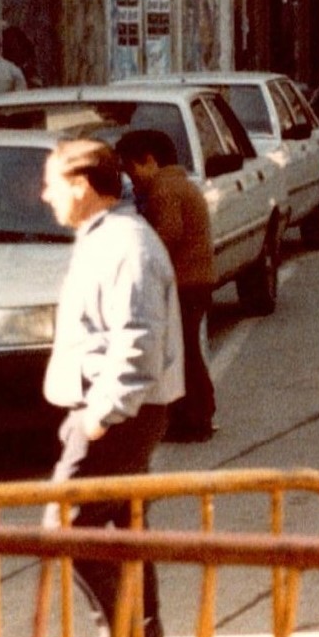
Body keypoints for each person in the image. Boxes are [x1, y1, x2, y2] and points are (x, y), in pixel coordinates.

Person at [39, 138, 184, 637]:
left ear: (82, 184)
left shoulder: (124, 244)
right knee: (125, 533)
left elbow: (138, 337)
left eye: (52, 182)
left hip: (118, 412)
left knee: (66, 528)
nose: (45, 195)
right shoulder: (108, 238)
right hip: (116, 409)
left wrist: (100, 416)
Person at [119, 129, 216, 441]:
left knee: (183, 353)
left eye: (131, 169)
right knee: (186, 351)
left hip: (184, 283)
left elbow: (168, 234)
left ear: (149, 161)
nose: (132, 179)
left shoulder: (164, 191)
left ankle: (195, 418)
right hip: (196, 281)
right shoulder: (179, 184)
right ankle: (195, 415)